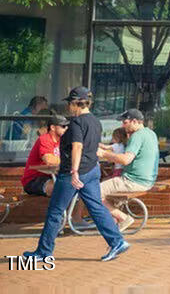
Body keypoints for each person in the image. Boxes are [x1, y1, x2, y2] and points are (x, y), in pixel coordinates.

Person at [23, 87, 129, 262]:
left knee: (55, 211)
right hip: (92, 169)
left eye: (70, 103)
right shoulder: (96, 121)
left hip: (75, 173)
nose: (69, 107)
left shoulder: (78, 122)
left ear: (75, 103)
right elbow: (92, 147)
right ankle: (117, 241)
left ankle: (43, 252)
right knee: (96, 207)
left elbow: (77, 146)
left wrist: (74, 172)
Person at [96, 109, 159, 232]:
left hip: (133, 181)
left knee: (93, 193)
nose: (122, 126)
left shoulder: (137, 136)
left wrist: (103, 153)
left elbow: (125, 160)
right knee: (107, 189)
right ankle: (112, 221)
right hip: (147, 181)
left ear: (134, 121)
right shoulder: (151, 133)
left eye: (125, 122)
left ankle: (123, 218)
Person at [21, 115, 68, 197]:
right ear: (53, 127)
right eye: (63, 126)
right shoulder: (45, 139)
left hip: (52, 176)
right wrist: (70, 160)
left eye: (67, 126)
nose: (66, 128)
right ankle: (56, 209)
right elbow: (49, 160)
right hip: (34, 179)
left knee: (76, 185)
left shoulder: (63, 140)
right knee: (61, 188)